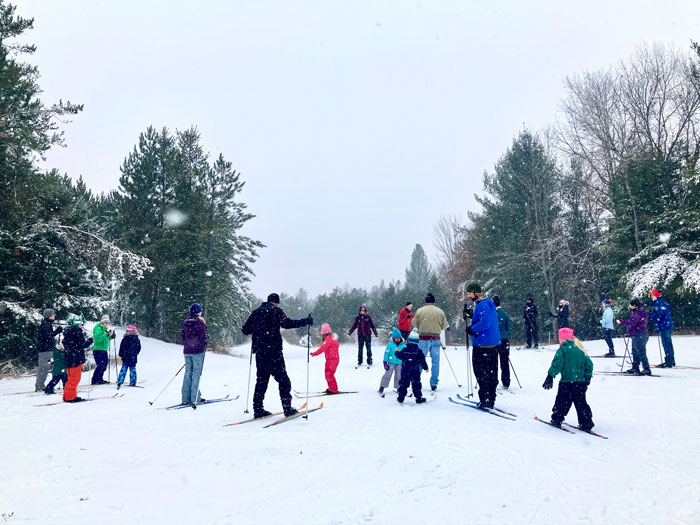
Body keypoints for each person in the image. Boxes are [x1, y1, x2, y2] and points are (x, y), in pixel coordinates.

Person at [241, 293, 313, 418]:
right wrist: (305, 321)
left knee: (261, 381)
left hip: (260, 352)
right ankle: (287, 408)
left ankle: (258, 409)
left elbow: (245, 330)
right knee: (283, 380)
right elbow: (287, 323)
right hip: (273, 351)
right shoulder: (276, 311)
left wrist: (258, 328)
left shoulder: (256, 312)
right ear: (276, 302)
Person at [542, 327, 594, 431]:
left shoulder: (563, 349)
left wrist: (550, 376)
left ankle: (557, 419)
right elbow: (589, 364)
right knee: (581, 403)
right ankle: (586, 422)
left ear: (562, 338)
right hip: (580, 382)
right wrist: (587, 377)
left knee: (562, 402)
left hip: (567, 382)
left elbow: (557, 364)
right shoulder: (580, 348)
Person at [465, 283, 501, 408]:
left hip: (483, 343)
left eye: (470, 293)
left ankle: (486, 398)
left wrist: (472, 329)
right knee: (491, 372)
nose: (468, 296)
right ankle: (491, 398)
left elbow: (485, 323)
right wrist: (471, 314)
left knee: (481, 372)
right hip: (492, 343)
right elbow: (484, 318)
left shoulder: (483, 304)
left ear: (476, 292)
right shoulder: (488, 303)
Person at [411, 293, 449, 391]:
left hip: (423, 338)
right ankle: (434, 383)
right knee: (435, 362)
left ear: (425, 301)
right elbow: (445, 326)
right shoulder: (440, 311)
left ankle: (416, 380)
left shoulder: (420, 311)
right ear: (434, 301)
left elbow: (413, 323)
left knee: (419, 360)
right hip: (435, 339)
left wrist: (420, 327)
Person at [181, 303, 209, 406]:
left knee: (188, 373)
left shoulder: (186, 321)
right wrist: (206, 338)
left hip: (187, 350)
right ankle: (195, 398)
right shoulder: (199, 322)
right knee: (196, 373)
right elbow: (202, 337)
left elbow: (183, 335)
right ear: (198, 312)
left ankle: (185, 398)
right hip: (197, 351)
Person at [62, 316, 93, 403]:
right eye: (81, 323)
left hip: (69, 357)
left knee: (70, 378)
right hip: (76, 358)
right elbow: (82, 344)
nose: (82, 325)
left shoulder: (67, 332)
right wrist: (90, 341)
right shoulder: (76, 331)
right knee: (75, 378)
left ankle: (67, 395)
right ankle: (70, 397)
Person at [617, 298, 651, 375]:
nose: (629, 306)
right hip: (639, 334)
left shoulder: (637, 313)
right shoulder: (640, 312)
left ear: (635, 306)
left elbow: (632, 323)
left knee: (641, 351)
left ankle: (646, 368)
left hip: (639, 334)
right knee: (635, 351)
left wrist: (621, 321)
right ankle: (635, 367)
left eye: (630, 305)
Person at [395, 330, 428, 404]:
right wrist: (425, 367)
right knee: (416, 384)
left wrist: (396, 352)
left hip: (405, 370)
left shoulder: (404, 350)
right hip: (415, 371)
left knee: (403, 383)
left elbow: (399, 356)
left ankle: (401, 397)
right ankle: (418, 398)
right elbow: (422, 360)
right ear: (417, 341)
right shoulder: (418, 351)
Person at [35, 308, 63, 392]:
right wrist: (57, 331)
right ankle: (39, 386)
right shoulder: (45, 324)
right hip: (45, 349)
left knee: (44, 368)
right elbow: (48, 336)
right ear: (49, 315)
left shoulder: (46, 324)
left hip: (46, 349)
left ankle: (40, 385)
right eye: (53, 314)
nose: (54, 315)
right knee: (43, 368)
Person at [311, 323, 340, 394]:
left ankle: (333, 389)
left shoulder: (328, 340)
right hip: (332, 359)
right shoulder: (332, 338)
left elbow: (322, 348)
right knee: (328, 374)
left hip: (332, 360)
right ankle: (332, 388)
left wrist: (314, 353)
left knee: (329, 374)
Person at [650, 289, 675, 367]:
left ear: (655, 295)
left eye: (652, 295)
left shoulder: (658, 303)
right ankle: (671, 360)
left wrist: (649, 315)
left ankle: (669, 361)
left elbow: (658, 315)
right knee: (668, 343)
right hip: (667, 325)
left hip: (664, 326)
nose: (651, 297)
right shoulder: (662, 302)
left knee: (666, 343)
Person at [492, 295, 511, 389]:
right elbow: (508, 327)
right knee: (504, 361)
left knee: (493, 362)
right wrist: (504, 334)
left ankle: (494, 381)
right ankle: (506, 381)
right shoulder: (504, 313)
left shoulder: (492, 313)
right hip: (504, 339)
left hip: (494, 340)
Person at [91, 315, 116, 385]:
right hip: (98, 349)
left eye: (108, 322)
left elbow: (105, 339)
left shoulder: (104, 329)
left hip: (103, 349)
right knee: (101, 364)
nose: (107, 324)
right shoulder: (98, 328)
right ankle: (95, 380)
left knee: (104, 364)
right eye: (106, 322)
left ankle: (99, 379)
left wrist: (111, 337)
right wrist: (106, 335)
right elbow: (98, 338)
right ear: (102, 322)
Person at [379, 328, 404, 396]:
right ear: (393, 338)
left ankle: (398, 387)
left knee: (398, 376)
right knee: (388, 374)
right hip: (391, 362)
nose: (397, 339)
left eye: (398, 338)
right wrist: (385, 362)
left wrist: (405, 362)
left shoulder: (403, 345)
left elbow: (404, 354)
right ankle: (382, 386)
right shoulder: (390, 345)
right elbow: (386, 353)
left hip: (399, 363)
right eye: (396, 338)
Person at [44, 329, 67, 395]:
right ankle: (49, 388)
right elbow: (63, 358)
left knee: (61, 379)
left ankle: (65, 388)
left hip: (59, 369)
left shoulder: (56, 351)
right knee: (58, 379)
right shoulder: (60, 352)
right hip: (60, 369)